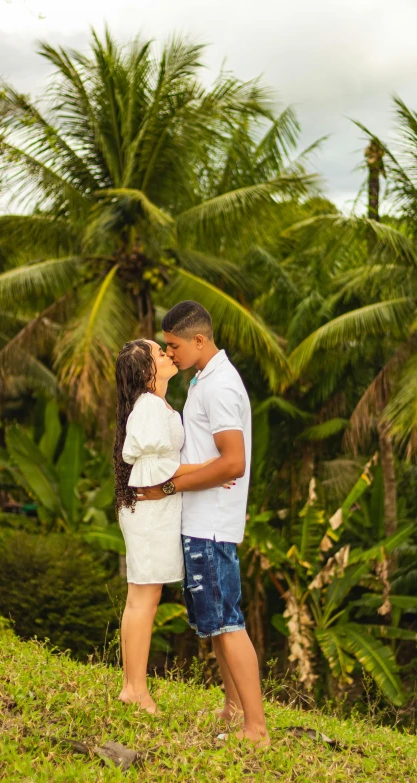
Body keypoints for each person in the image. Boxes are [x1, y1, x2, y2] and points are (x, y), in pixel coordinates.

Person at [137, 301, 270, 746]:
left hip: (211, 525)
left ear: (198, 340)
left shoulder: (220, 387)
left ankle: (256, 727)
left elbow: (233, 463)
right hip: (201, 523)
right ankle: (234, 711)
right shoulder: (203, 380)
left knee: (228, 625)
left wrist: (171, 485)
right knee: (215, 626)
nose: (169, 354)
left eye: (173, 345)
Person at [114, 339, 233, 714]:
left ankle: (133, 686)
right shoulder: (148, 408)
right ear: (148, 370)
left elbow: (164, 467)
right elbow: (156, 474)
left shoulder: (156, 404)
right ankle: (135, 689)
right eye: (159, 352)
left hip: (157, 513)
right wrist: (212, 471)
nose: (167, 354)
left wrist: (210, 471)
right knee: (142, 600)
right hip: (150, 514)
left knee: (142, 598)